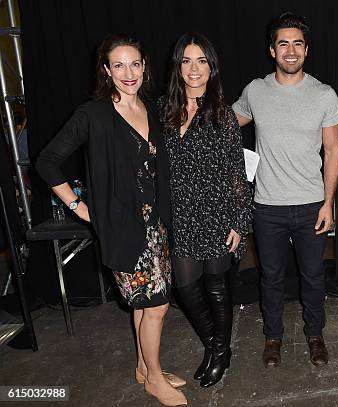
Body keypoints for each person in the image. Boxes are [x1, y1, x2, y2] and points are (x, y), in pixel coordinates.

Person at [36, 34, 188, 407]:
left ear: (144, 66)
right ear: (106, 70)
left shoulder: (151, 109)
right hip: (122, 227)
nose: (128, 72)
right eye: (118, 65)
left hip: (156, 227)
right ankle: (154, 379)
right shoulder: (94, 114)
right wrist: (79, 207)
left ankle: (144, 368)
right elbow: (46, 161)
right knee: (156, 306)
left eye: (134, 63)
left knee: (143, 304)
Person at [232, 12, 338, 368]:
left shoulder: (324, 94)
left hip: (312, 204)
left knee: (313, 277)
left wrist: (329, 203)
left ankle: (315, 335)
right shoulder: (255, 90)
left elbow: (333, 150)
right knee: (271, 277)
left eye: (297, 43)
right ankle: (273, 337)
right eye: (284, 44)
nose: (291, 51)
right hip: (267, 207)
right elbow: (225, 126)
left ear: (306, 50)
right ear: (272, 50)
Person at [158, 33, 251, 388]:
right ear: (178, 66)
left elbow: (236, 175)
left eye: (201, 61)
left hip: (216, 215)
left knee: (215, 288)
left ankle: (219, 350)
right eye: (187, 61)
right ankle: (218, 346)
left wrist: (239, 223)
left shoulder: (223, 115)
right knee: (185, 287)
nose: (194, 68)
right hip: (180, 216)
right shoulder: (164, 110)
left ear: (212, 67)